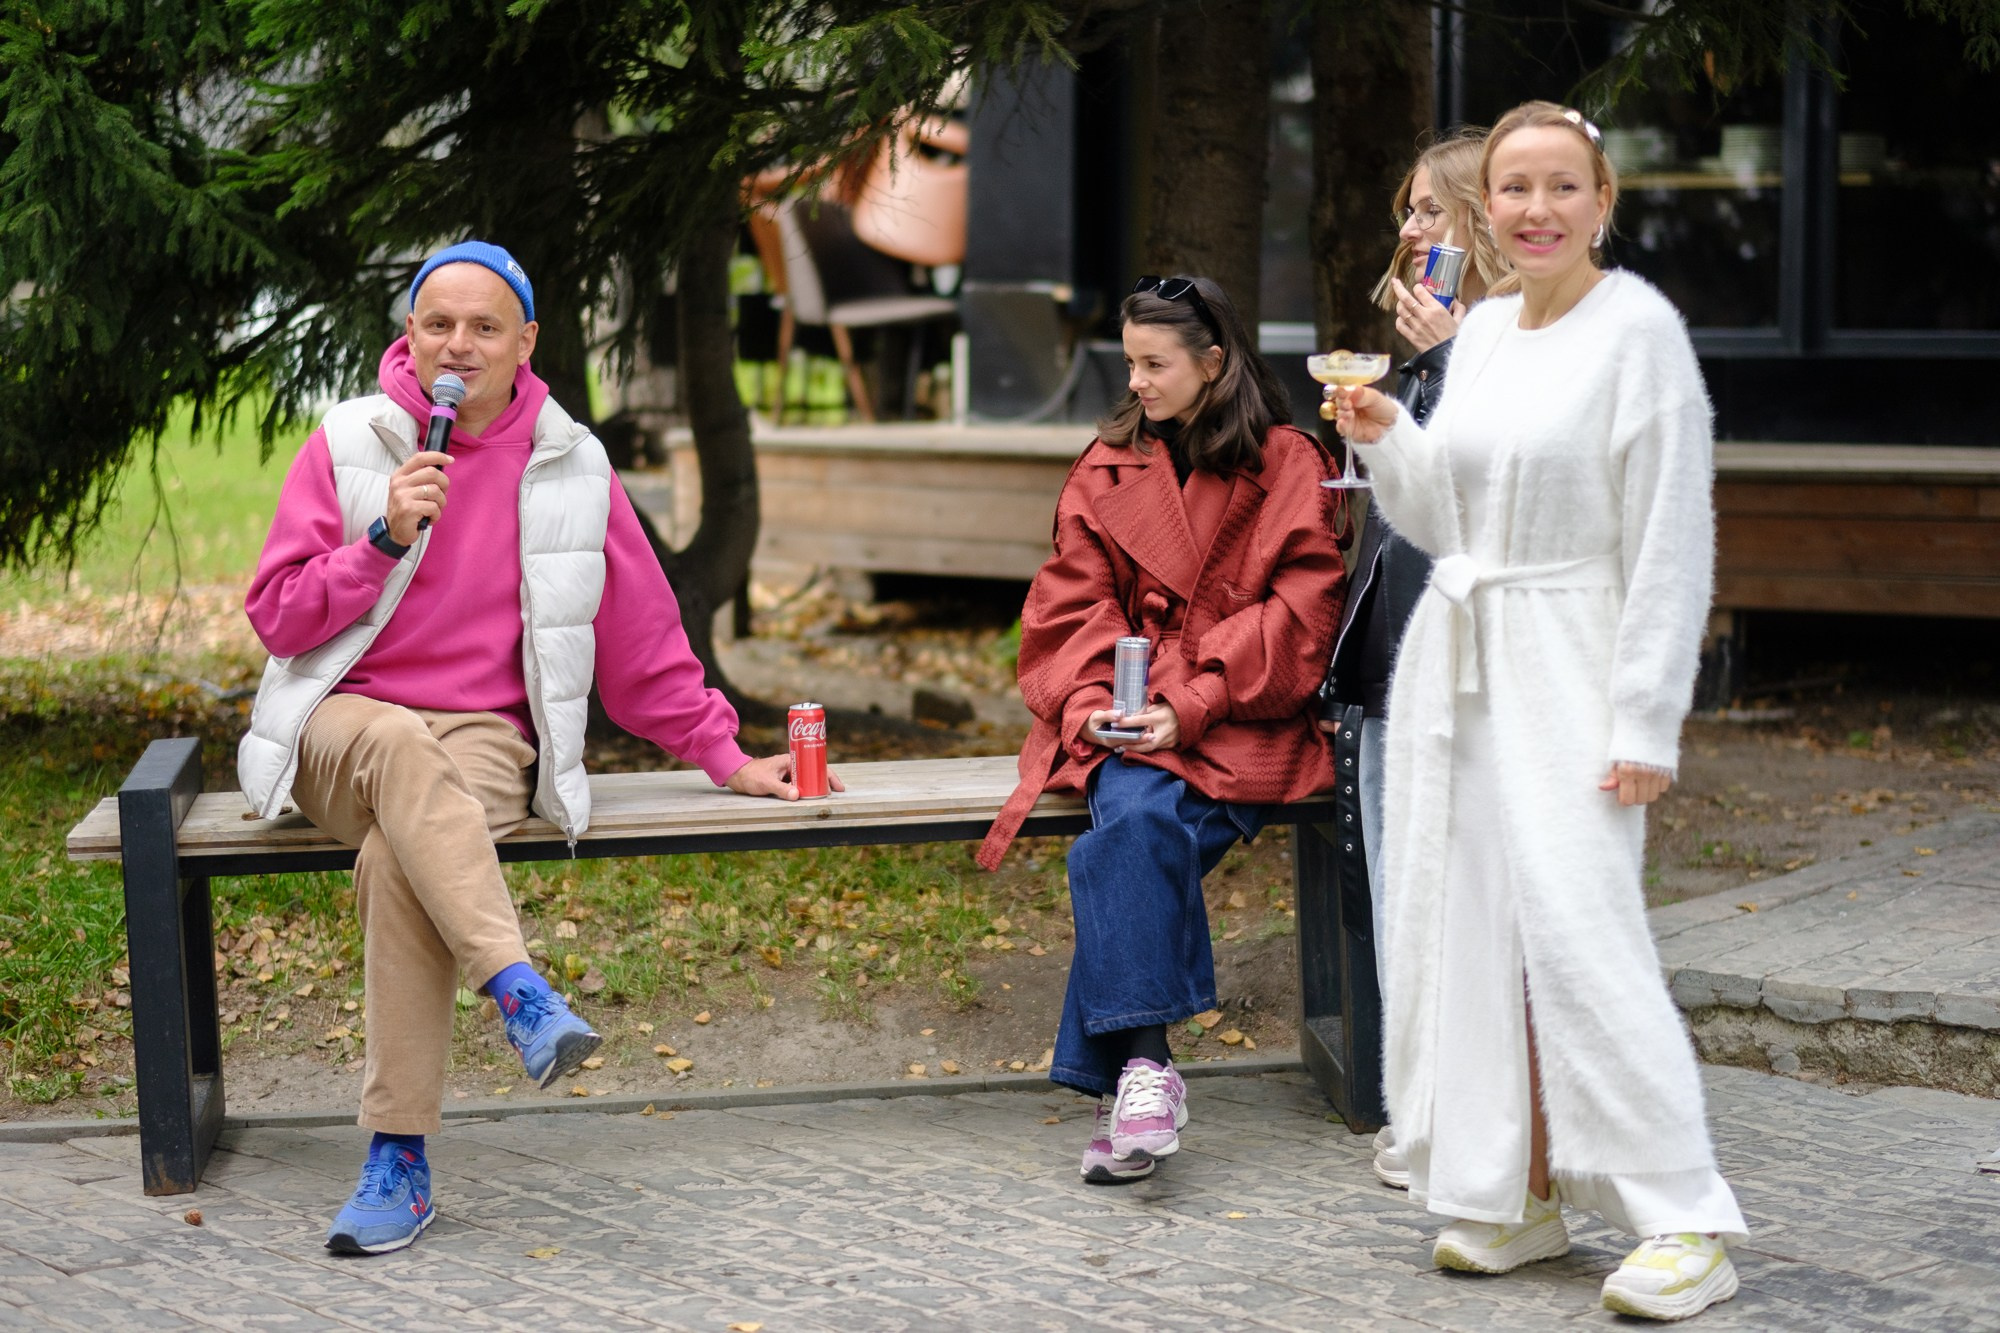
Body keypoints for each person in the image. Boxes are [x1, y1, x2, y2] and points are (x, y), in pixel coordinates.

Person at [240, 240, 830, 1256]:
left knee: (398, 857)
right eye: (436, 325)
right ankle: (517, 986)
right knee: (389, 742)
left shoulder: (571, 463)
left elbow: (641, 642)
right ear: (409, 336)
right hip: (342, 720)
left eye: (481, 327)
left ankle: (398, 1155)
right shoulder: (348, 441)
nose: (456, 346)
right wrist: (376, 538)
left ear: (526, 342)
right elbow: (279, 619)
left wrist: (725, 755)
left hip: (477, 737)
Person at [1334, 102, 1747, 1321]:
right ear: (1489, 208)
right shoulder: (1493, 331)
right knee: (1464, 926)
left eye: (1559, 188)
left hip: (1573, 659)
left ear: (1601, 199)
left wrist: (1642, 722)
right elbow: (1444, 514)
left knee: (1579, 931)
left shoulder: (1640, 336)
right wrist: (1388, 433)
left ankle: (1684, 1214)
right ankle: (1511, 1191)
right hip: (1459, 664)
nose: (1533, 211)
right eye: (1512, 189)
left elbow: (1671, 540)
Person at [977, 275, 1345, 1184]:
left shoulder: (1288, 460)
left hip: (1241, 713)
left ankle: (1138, 1076)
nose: (1135, 382)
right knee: (1140, 809)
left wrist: (1194, 699)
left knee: (1137, 824)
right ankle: (1148, 1070)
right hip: (1128, 713)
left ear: (1213, 363)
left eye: (1156, 364)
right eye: (1131, 360)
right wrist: (1091, 702)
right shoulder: (1105, 466)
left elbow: (1304, 609)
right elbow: (1068, 605)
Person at [1320, 128, 1506, 1194]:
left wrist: (1439, 364)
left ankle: (1455, 1106)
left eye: (1428, 209)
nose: (1409, 228)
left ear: (1480, 218)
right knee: (1398, 884)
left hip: (1473, 660)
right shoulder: (1431, 346)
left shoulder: (1522, 338)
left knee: (1457, 886)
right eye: (1407, 208)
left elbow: (1485, 493)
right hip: (1392, 640)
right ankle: (1416, 1101)